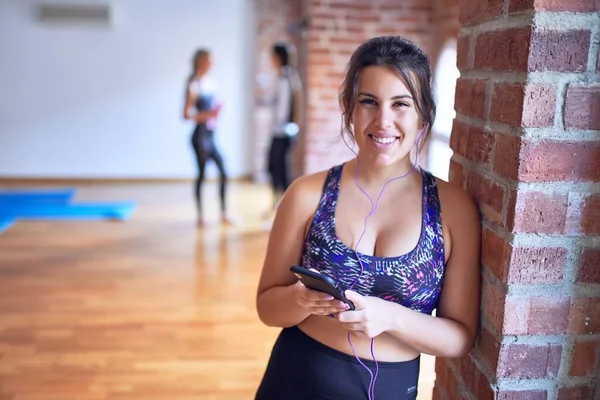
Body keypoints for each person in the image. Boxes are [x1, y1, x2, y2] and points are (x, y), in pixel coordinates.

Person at [254, 36, 481, 400]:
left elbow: (459, 336)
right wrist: (301, 299)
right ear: (349, 108)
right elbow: (267, 307)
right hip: (296, 377)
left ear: (424, 113)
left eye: (400, 104)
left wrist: (390, 317)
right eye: (369, 102)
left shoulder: (454, 209)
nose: (383, 121)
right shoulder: (306, 195)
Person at [183, 48, 230, 226]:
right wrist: (206, 115)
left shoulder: (211, 82)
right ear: (200, 61)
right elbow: (186, 114)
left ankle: (223, 213)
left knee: (224, 172)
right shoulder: (193, 83)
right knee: (202, 175)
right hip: (199, 136)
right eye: (208, 60)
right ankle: (200, 216)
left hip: (211, 135)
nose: (211, 63)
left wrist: (215, 113)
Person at [266, 42, 304, 214]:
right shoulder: (279, 77)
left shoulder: (289, 78)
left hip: (285, 131)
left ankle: (285, 208)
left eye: (273, 57)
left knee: (281, 170)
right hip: (277, 130)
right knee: (272, 167)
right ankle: (276, 205)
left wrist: (293, 126)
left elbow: (290, 107)